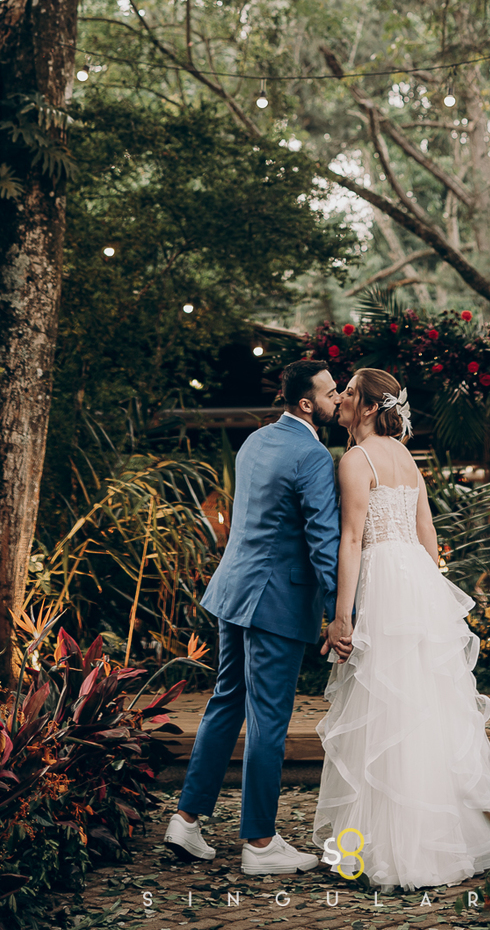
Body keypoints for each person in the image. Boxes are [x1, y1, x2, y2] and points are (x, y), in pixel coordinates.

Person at [312, 367, 490, 891]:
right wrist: (427, 591)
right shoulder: (406, 459)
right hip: (416, 583)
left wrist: (343, 616)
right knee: (422, 705)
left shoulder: (355, 459)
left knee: (382, 707)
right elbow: (429, 536)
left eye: (350, 394)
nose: (343, 401)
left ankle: (377, 850)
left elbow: (350, 542)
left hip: (380, 581)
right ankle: (433, 843)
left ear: (372, 407)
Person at [165, 359, 349, 875]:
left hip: (234, 592)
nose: (338, 399)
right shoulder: (312, 455)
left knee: (226, 702)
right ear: (307, 403)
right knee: (269, 718)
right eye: (331, 392)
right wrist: (341, 610)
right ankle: (262, 844)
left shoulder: (255, 441)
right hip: (277, 602)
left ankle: (186, 819)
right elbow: (323, 539)